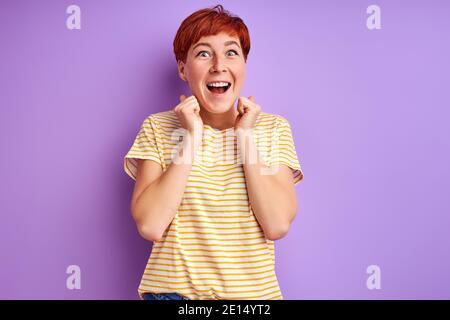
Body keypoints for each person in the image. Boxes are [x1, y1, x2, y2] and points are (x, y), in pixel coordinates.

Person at [124, 4, 304, 300]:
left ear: (244, 64)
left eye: (231, 52)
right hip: (175, 298)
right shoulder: (158, 127)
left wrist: (244, 135)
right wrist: (191, 137)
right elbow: (150, 224)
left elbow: (276, 224)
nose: (219, 65)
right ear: (183, 68)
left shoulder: (272, 129)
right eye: (203, 53)